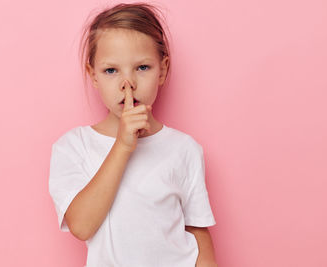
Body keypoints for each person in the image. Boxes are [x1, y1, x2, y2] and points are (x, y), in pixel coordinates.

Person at [49, 2, 218, 266]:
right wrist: (122, 146)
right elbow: (81, 226)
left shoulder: (184, 149)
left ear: (162, 70)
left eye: (142, 67)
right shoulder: (73, 147)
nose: (128, 83)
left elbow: (197, 230)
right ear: (93, 75)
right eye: (111, 70)